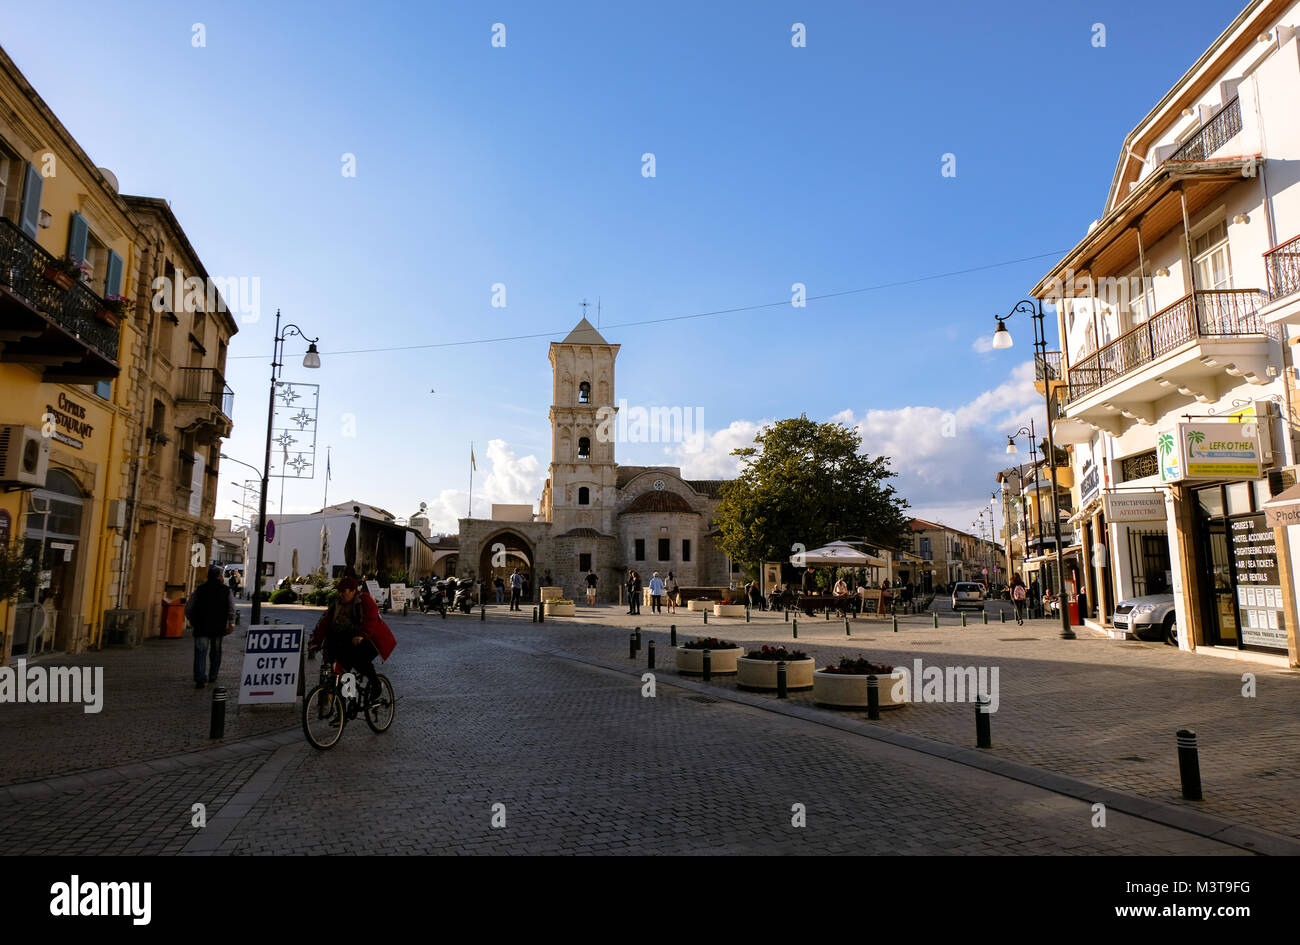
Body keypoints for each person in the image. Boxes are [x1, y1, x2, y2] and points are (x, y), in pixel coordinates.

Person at [307, 576, 396, 702]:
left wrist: (362, 635)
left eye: (344, 591)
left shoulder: (364, 600)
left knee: (360, 661)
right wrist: (315, 642)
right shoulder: (337, 604)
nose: (341, 594)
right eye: (339, 591)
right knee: (343, 668)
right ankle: (347, 705)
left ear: (353, 591)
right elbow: (324, 623)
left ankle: (375, 684)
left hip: (372, 640)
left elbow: (371, 618)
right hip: (350, 639)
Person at [186, 565, 235, 689]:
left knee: (200, 652)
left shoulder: (200, 589)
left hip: (201, 626)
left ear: (208, 577)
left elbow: (189, 607)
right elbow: (231, 609)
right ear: (219, 577)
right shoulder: (225, 590)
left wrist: (192, 620)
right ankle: (213, 675)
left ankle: (200, 678)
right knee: (216, 652)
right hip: (218, 627)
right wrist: (231, 623)